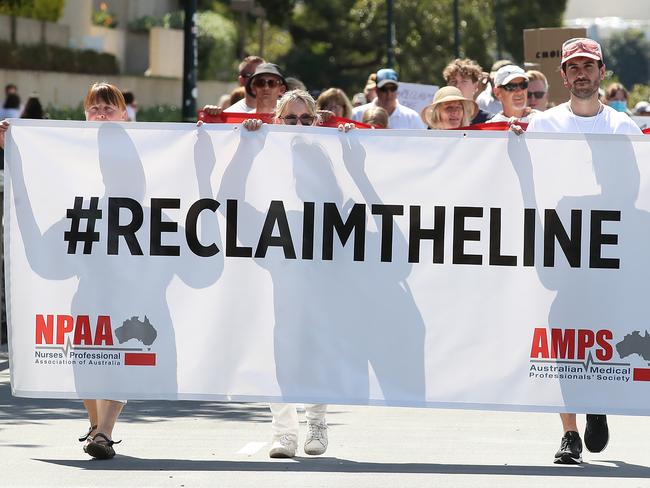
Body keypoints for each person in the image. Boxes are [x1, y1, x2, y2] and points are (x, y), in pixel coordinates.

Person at [515, 37, 642, 464]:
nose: (582, 73)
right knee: (561, 339)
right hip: (561, 250)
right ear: (563, 75)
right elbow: (528, 184)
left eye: (589, 66)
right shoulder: (544, 125)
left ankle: (598, 403)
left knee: (603, 335)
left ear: (602, 72)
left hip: (608, 255)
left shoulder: (625, 128)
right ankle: (569, 434)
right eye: (574, 67)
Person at [2, 83, 128, 460]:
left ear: (124, 114)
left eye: (109, 108)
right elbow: (43, 183)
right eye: (94, 108)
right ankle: (95, 424)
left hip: (133, 277)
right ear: (85, 114)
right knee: (86, 354)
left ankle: (104, 432)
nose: (101, 114)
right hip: (86, 276)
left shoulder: (148, 149)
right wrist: (15, 148)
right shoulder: (72, 153)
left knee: (121, 356)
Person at [229, 90, 352, 459]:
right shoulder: (264, 158)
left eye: (305, 119)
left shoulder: (327, 155)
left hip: (321, 269)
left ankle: (317, 419)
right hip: (278, 269)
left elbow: (353, 205)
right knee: (278, 349)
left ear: (316, 121)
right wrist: (247, 144)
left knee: (316, 344)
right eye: (290, 119)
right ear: (276, 120)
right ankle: (283, 432)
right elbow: (229, 194)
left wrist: (351, 149)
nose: (298, 126)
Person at [352, 68, 426, 129]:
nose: (389, 93)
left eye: (393, 88)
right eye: (384, 89)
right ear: (376, 90)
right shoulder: (357, 114)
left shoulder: (412, 117)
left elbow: (423, 143)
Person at [443, 58, 490, 124]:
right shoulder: (438, 120)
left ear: (475, 86)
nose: (458, 85)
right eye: (453, 81)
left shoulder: (488, 121)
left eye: (464, 81)